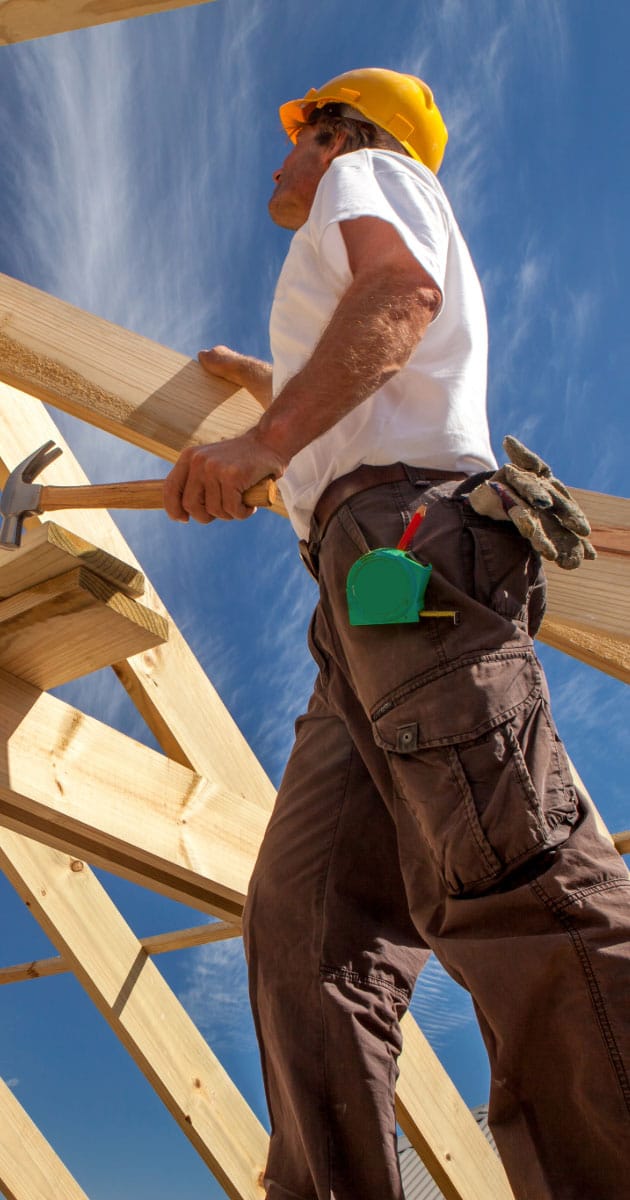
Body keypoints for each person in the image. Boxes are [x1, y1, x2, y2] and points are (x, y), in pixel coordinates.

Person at [164, 68, 630, 1200]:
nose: (278, 163)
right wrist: (274, 391)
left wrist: (268, 439)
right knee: (304, 928)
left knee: (517, 884)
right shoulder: (352, 210)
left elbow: (403, 297)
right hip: (364, 591)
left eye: (293, 138)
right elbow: (390, 375)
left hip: (409, 553)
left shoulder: (371, 174)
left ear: (338, 134)